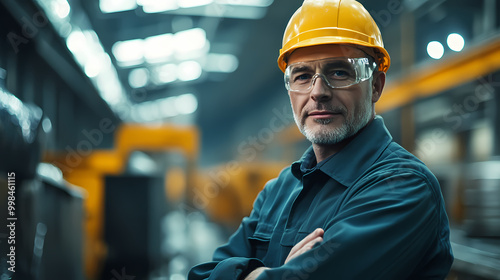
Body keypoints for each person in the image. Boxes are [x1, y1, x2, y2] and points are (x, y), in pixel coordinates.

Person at [188, 0, 454, 279]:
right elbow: (201, 274)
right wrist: (268, 274)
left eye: (339, 72)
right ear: (290, 91)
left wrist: (259, 274)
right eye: (302, 76)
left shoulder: (403, 186)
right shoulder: (278, 191)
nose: (318, 91)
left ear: (375, 86)